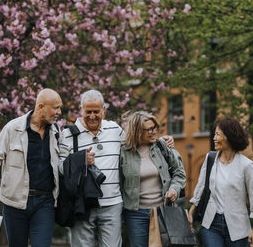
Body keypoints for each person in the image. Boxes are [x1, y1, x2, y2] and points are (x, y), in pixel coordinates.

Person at [59, 90, 174, 247]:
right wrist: (80, 160)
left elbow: (136, 141)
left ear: (103, 110)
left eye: (96, 111)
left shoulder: (114, 129)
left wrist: (161, 140)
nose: (92, 116)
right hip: (82, 205)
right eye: (88, 111)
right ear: (81, 109)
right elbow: (60, 168)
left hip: (112, 205)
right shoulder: (67, 135)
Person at [0, 88, 63, 247]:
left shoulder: (56, 132)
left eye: (59, 107)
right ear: (40, 107)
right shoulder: (13, 128)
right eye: (55, 107)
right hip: (14, 203)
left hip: (45, 203)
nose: (59, 112)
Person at [188, 117, 253, 247]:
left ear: (229, 137)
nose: (214, 138)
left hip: (238, 227)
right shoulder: (210, 158)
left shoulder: (247, 165)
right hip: (211, 224)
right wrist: (191, 212)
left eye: (217, 134)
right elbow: (200, 187)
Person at [119, 111, 186, 247]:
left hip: (163, 211)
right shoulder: (123, 152)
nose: (154, 132)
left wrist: (174, 189)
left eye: (155, 128)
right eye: (149, 129)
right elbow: (119, 184)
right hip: (135, 214)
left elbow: (179, 173)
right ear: (137, 131)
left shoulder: (162, 146)